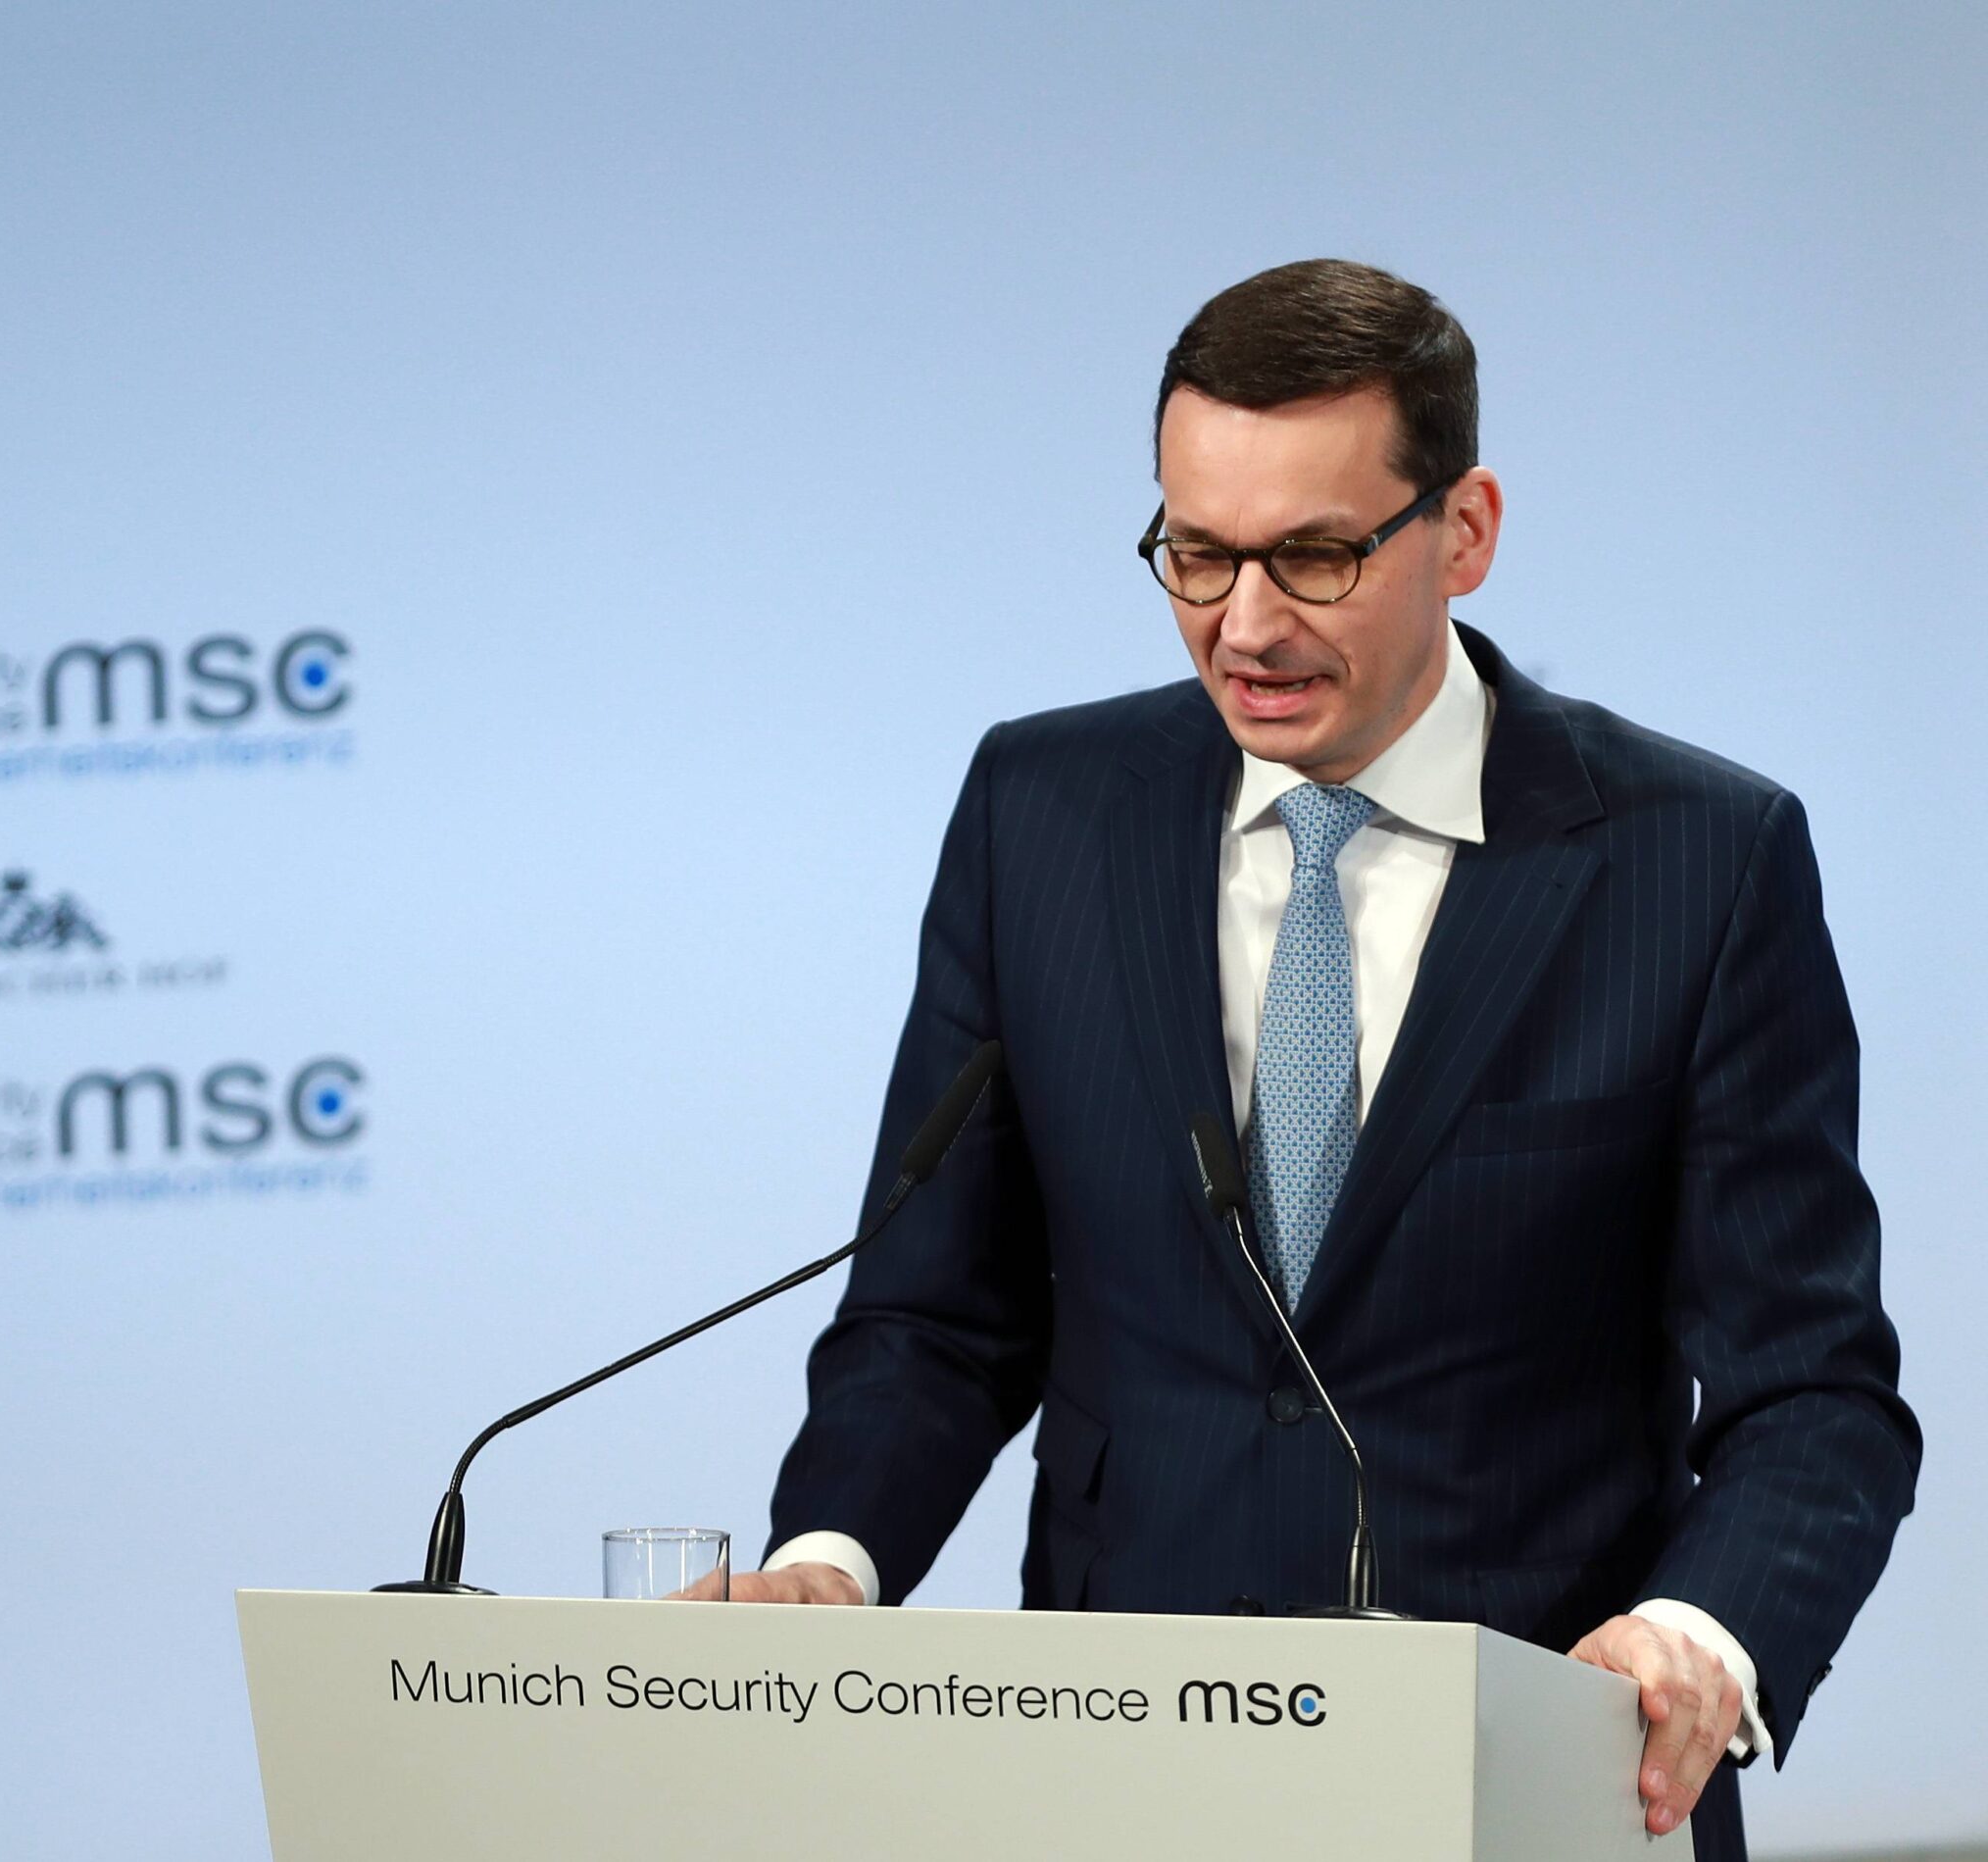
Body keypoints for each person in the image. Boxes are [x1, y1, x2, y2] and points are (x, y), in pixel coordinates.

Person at [731, 260, 1918, 1862]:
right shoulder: (1042, 813)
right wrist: (832, 1558)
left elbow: (1814, 1391)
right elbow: (937, 1314)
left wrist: (1696, 1635)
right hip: (1115, 1787)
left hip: (1536, 1787)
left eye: (1314, 555)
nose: (1246, 624)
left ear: (1466, 531)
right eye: (1196, 554)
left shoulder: (1699, 861)